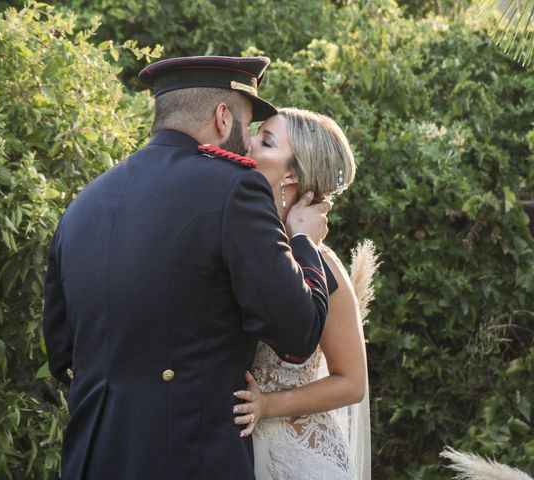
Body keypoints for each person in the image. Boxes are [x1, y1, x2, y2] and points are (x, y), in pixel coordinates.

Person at [43, 57, 335, 479]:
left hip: (92, 458)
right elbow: (298, 330)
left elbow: (61, 355)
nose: (249, 141)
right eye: (248, 124)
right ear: (222, 118)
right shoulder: (235, 187)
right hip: (190, 458)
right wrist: (305, 241)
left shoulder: (83, 204)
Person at [231, 108, 372, 479]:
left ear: (292, 173)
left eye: (266, 140)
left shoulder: (323, 265)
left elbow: (352, 382)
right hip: (234, 449)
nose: (249, 141)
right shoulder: (241, 242)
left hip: (295, 455)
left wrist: (268, 404)